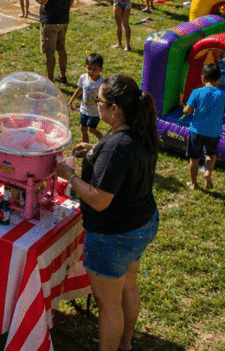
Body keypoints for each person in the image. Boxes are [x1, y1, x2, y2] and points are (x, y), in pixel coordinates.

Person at [55, 74, 159, 351]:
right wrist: (94, 151)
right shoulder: (138, 129)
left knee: (109, 305)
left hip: (115, 235)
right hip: (142, 222)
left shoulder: (115, 149)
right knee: (128, 286)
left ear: (114, 109)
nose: (94, 104)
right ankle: (125, 344)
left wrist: (69, 176)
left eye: (98, 101)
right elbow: (124, 161)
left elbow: (99, 200)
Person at [183, 62, 225, 190]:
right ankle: (207, 173)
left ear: (203, 79)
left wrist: (184, 108)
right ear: (219, 80)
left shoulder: (197, 92)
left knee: (194, 158)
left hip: (196, 131)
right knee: (211, 155)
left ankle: (194, 184)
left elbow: (187, 111)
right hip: (214, 132)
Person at [31, 0, 75, 84]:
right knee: (61, 49)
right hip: (64, 20)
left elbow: (43, 1)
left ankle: (50, 81)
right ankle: (62, 76)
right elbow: (72, 0)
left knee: (49, 52)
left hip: (50, 22)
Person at [69, 53, 105, 144]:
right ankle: (85, 146)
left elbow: (105, 97)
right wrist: (71, 100)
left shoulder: (102, 82)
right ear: (85, 66)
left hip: (95, 112)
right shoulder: (83, 77)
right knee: (83, 128)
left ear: (101, 69)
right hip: (84, 109)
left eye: (95, 69)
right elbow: (79, 89)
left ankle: (103, 142)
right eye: (89, 68)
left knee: (91, 129)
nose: (91, 71)